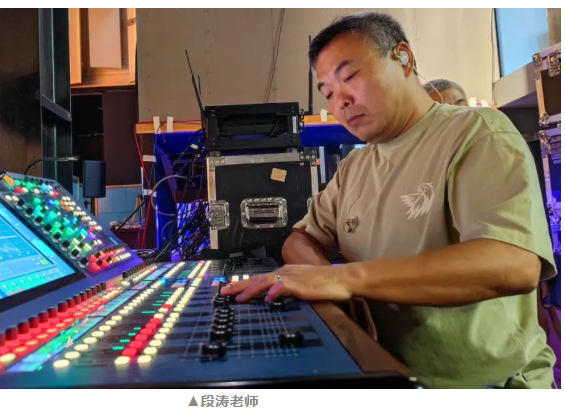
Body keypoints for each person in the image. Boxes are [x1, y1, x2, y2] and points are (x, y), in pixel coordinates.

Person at [221, 12, 557, 389]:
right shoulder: (355, 166)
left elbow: (512, 265)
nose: (341, 101)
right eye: (328, 92)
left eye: (350, 77)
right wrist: (330, 286)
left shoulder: (477, 132)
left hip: (484, 385)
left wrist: (344, 280)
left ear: (404, 59)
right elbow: (301, 238)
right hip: (385, 373)